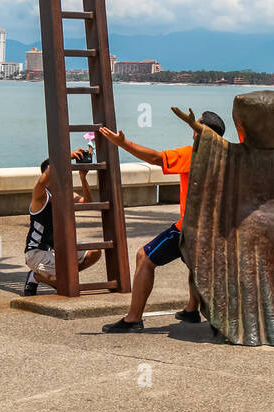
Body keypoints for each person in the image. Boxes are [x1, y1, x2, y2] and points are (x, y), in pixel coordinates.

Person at [97, 109, 226, 333]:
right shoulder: (227, 155)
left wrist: (123, 143)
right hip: (217, 229)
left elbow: (156, 158)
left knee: (144, 257)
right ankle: (191, 309)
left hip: (189, 228)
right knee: (195, 264)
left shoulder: (193, 153)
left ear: (199, 132)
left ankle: (133, 319)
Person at [22, 148, 99, 295]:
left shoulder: (66, 194)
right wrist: (65, 156)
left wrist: (83, 178)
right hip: (37, 252)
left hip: (57, 251)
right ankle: (37, 276)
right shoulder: (40, 196)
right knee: (68, 284)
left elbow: (88, 202)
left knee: (94, 252)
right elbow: (41, 181)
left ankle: (60, 278)